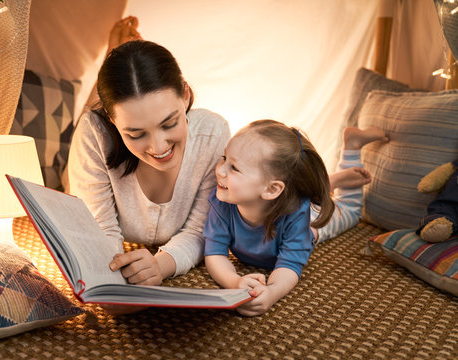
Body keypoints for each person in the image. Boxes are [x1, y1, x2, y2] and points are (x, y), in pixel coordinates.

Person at [65, 35, 231, 314]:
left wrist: (159, 266)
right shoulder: (94, 133)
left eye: (170, 123)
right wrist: (111, 278)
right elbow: (100, 231)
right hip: (83, 166)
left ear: (186, 94)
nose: (159, 147)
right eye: (136, 134)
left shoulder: (213, 133)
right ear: (112, 119)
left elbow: (202, 230)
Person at [203, 120, 387, 316]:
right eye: (224, 158)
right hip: (285, 201)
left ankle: (352, 147)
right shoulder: (222, 199)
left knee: (350, 212)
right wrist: (234, 282)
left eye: (234, 168)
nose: (220, 170)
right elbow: (214, 253)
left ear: (271, 189)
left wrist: (272, 292)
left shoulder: (299, 215)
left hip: (310, 220)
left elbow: (289, 265)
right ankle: (327, 184)